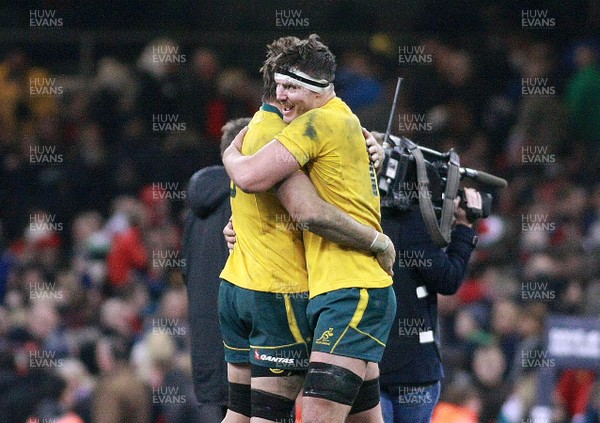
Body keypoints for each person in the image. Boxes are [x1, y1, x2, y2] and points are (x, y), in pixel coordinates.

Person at [218, 36, 394, 423]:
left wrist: (230, 151)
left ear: (319, 88)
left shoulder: (311, 123)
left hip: (349, 291)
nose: (284, 97)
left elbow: (306, 210)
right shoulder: (328, 119)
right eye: (281, 87)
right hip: (328, 290)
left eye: (292, 88)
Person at [374, 131, 481, 423]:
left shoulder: (349, 218)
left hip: (362, 364)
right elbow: (448, 280)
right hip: (413, 371)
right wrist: (464, 228)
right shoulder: (411, 225)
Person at [183, 118, 250, 422]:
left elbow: (187, 276)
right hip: (246, 346)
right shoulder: (249, 202)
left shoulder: (194, 216)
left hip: (206, 348)